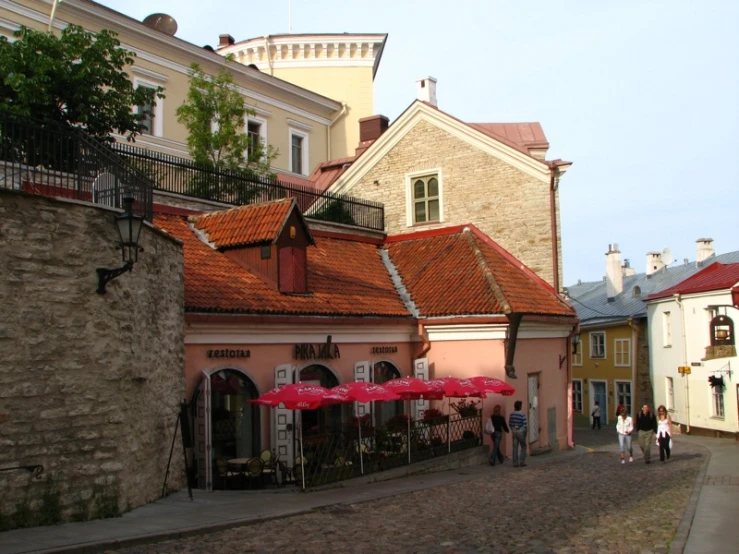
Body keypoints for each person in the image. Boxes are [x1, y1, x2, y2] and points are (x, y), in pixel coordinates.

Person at [508, 400, 528, 467]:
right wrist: (525, 432)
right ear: (520, 406)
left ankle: (515, 463)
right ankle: (522, 461)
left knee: (515, 447)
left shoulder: (512, 414)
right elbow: (525, 425)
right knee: (523, 446)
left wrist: (513, 429)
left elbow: (510, 423)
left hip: (514, 432)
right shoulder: (522, 414)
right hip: (521, 431)